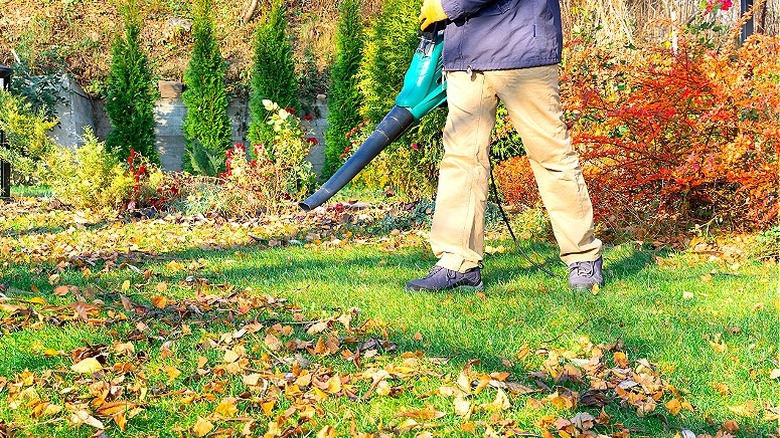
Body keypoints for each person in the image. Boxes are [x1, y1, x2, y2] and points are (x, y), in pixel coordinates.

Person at [405, 0, 604, 292]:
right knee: (461, 161)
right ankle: (457, 262)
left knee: (550, 155)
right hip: (467, 54)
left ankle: (583, 255)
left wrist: (450, 5)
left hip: (521, 45)